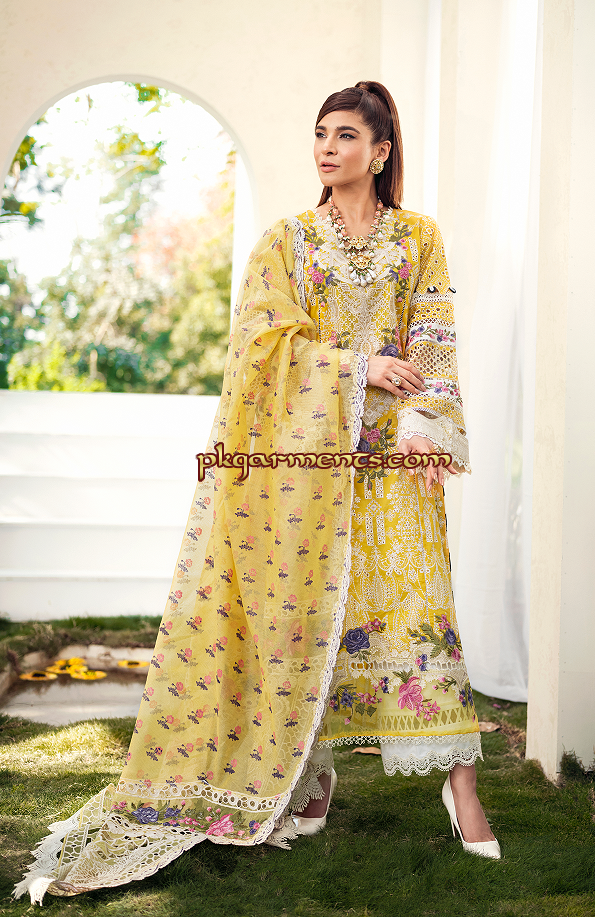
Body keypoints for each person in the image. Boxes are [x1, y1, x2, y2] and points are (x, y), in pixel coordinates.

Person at [15, 79, 498, 906]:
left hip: (394, 459)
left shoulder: (418, 236)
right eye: (321, 133)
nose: (327, 148)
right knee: (303, 619)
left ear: (380, 150)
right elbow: (257, 346)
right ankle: (311, 777)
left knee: (419, 609)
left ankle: (462, 789)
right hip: (306, 471)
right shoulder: (288, 241)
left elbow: (435, 339)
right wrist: (356, 366)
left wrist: (426, 428)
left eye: (345, 135)